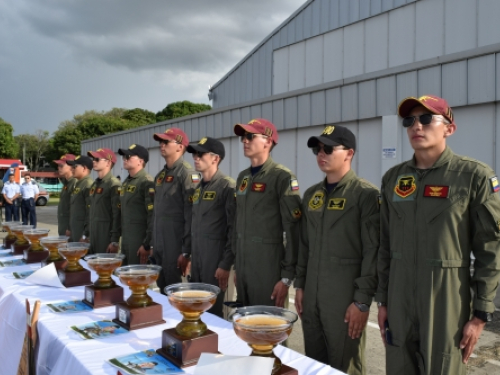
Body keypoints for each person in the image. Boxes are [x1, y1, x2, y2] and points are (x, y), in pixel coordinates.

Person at [376, 95, 500, 375]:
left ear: (449, 128)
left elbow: (489, 248)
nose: (416, 126)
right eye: (409, 121)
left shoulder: (473, 176)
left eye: (426, 119)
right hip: (399, 300)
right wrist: (383, 301)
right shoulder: (393, 179)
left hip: (446, 300)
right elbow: (385, 244)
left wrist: (481, 313)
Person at [294, 126, 380, 375]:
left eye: (329, 149)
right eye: (317, 149)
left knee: (345, 365)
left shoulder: (365, 195)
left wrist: (362, 302)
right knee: (314, 364)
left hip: (343, 300)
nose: (322, 154)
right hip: (312, 297)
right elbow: (304, 246)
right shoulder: (312, 195)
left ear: (349, 153)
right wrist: (300, 286)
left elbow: (373, 252)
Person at [233, 118, 302, 307]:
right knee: (245, 328)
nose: (244, 141)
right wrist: (238, 268)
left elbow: (294, 230)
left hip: (268, 270)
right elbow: (238, 224)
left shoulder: (282, 177)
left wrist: (287, 277)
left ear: (268, 141)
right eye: (243, 138)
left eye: (250, 136)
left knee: (269, 330)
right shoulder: (243, 177)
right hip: (244, 268)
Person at [186, 137, 236, 317]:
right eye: (194, 154)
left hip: (216, 262)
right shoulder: (199, 188)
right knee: (197, 310)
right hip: (198, 259)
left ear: (215, 159)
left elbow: (233, 229)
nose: (195, 158)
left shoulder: (227, 186)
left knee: (215, 313)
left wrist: (225, 264)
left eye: (200, 154)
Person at [152, 128, 196, 292]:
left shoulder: (187, 174)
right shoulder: (160, 176)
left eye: (165, 142)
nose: (161, 145)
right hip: (159, 245)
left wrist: (186, 252)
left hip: (175, 246)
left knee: (177, 292)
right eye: (160, 142)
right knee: (162, 288)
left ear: (180, 146)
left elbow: (191, 214)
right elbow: (156, 213)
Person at [117, 144, 154, 266]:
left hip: (139, 240)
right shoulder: (126, 183)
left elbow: (152, 215)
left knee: (137, 278)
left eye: (128, 156)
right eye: (124, 156)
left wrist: (147, 244)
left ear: (141, 161)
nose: (124, 159)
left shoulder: (146, 182)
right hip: (126, 240)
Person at [84, 148, 121, 254]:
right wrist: (86, 234)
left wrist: (114, 241)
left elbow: (117, 214)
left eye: (97, 159)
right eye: (93, 159)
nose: (93, 162)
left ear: (108, 163)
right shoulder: (94, 185)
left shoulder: (113, 184)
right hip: (93, 235)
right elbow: (90, 211)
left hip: (105, 236)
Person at [66, 156, 93, 242]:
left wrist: (86, 234)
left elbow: (90, 213)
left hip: (81, 232)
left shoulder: (88, 184)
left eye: (74, 167)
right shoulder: (79, 183)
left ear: (84, 168)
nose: (72, 169)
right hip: (76, 230)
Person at [54, 154, 77, 235]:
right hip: (64, 226)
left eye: (61, 165)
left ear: (71, 167)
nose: (58, 168)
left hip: (69, 229)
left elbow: (75, 209)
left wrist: (70, 228)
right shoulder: (67, 183)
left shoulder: (74, 183)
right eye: (58, 166)